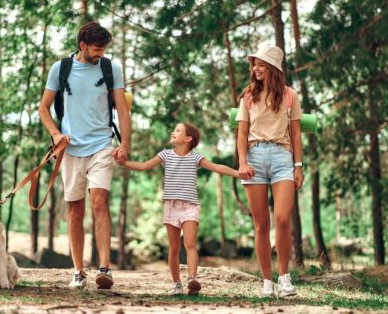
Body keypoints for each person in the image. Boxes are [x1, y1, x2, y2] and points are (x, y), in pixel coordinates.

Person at [38, 22, 131, 290]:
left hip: (102, 144)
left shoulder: (110, 68)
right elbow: (43, 108)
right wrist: (56, 135)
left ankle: (105, 269)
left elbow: (122, 111)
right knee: (75, 209)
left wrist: (124, 143)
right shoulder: (61, 69)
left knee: (99, 202)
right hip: (70, 148)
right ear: (82, 45)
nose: (100, 53)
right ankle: (78, 271)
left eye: (104, 49)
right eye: (96, 49)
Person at [117, 122, 253, 295]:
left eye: (178, 130)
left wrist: (238, 173)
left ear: (188, 138)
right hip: (171, 206)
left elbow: (217, 167)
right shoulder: (165, 155)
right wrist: (124, 163)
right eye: (174, 130)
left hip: (190, 207)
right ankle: (176, 284)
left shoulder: (195, 158)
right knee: (174, 248)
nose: (173, 132)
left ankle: (192, 280)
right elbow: (144, 166)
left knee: (190, 243)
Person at [236, 45, 304, 297]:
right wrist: (242, 162)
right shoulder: (248, 96)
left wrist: (298, 165)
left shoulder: (289, 95)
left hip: (282, 157)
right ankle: (267, 280)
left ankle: (284, 277)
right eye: (254, 64)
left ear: (273, 68)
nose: (255, 68)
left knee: (282, 219)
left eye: (261, 64)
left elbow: (296, 133)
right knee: (261, 224)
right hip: (254, 158)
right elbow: (242, 133)